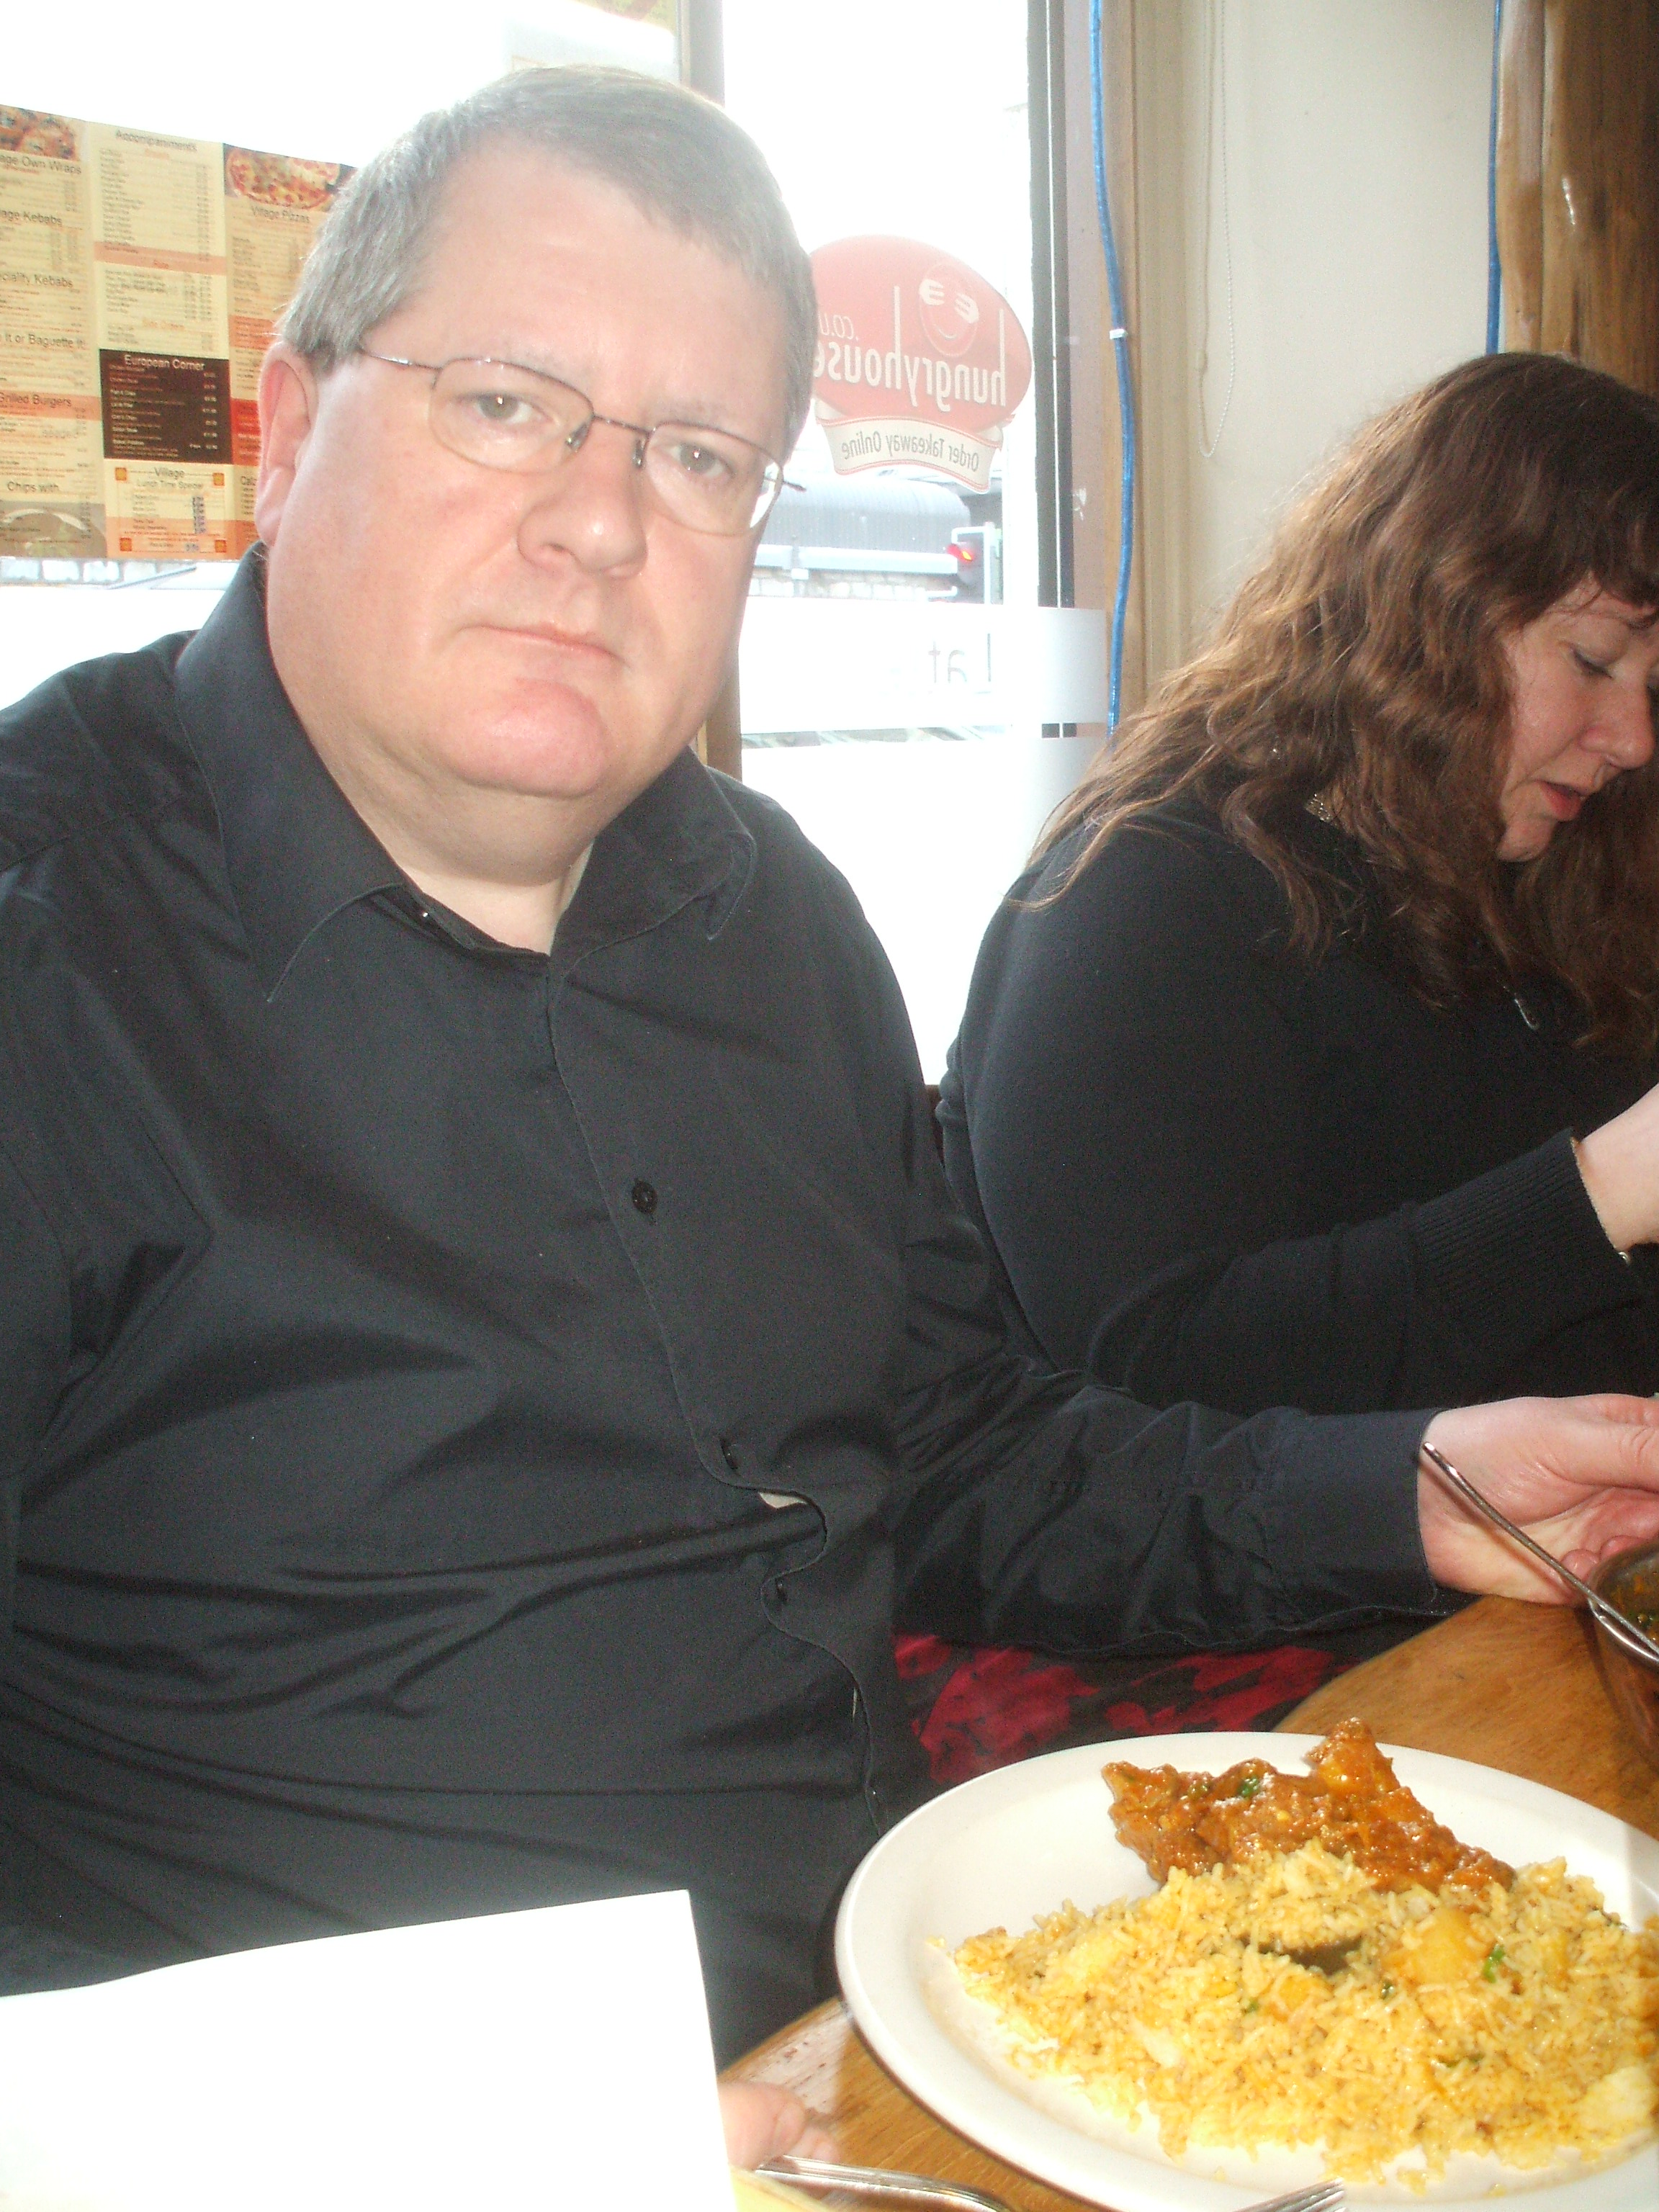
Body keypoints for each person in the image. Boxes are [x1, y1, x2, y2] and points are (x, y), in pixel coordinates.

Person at [3, 77, 1659, 2114]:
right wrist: (490, 2132)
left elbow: (959, 1455)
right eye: (507, 403)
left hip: (887, 2029)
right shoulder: (49, 944)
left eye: (699, 456)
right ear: (286, 421)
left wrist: (1407, 1485)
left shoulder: (773, 916)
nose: (602, 521)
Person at [943, 354, 1659, 1421]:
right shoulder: (1145, 896)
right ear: (1426, 607)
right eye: (1593, 661)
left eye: (1657, 687)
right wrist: (1600, 1193)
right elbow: (1153, 1364)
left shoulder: (1555, 880)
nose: (1635, 739)